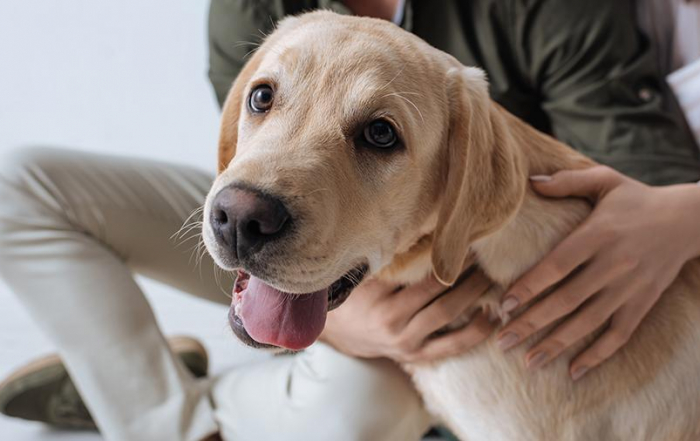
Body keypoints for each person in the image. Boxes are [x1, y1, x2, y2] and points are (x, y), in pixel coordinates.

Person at [0, 1, 699, 440]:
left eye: (379, 134)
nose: (262, 101)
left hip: (437, 274)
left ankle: (176, 390)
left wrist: (683, 213)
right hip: (292, 230)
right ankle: (168, 417)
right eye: (264, 95)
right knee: (15, 182)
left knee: (357, 416)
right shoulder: (250, 10)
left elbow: (650, 180)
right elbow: (255, 165)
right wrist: (339, 321)